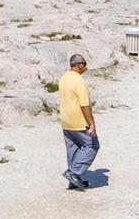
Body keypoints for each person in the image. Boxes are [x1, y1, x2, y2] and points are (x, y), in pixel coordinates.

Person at [58, 54, 98, 190]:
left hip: (65, 120)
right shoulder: (79, 81)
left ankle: (73, 181)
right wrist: (91, 123)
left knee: (73, 149)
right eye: (85, 64)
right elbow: (84, 105)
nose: (86, 67)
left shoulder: (64, 78)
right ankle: (73, 173)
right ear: (79, 64)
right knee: (92, 145)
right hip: (78, 121)